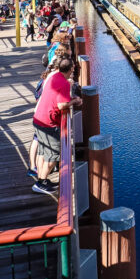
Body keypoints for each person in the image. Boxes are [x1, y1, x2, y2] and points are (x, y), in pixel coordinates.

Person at [30, 57, 80, 195]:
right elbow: (61, 105)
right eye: (73, 68)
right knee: (53, 155)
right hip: (48, 124)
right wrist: (75, 101)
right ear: (71, 69)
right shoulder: (63, 83)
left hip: (39, 119)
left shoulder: (55, 76)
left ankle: (42, 180)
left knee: (43, 152)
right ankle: (40, 183)